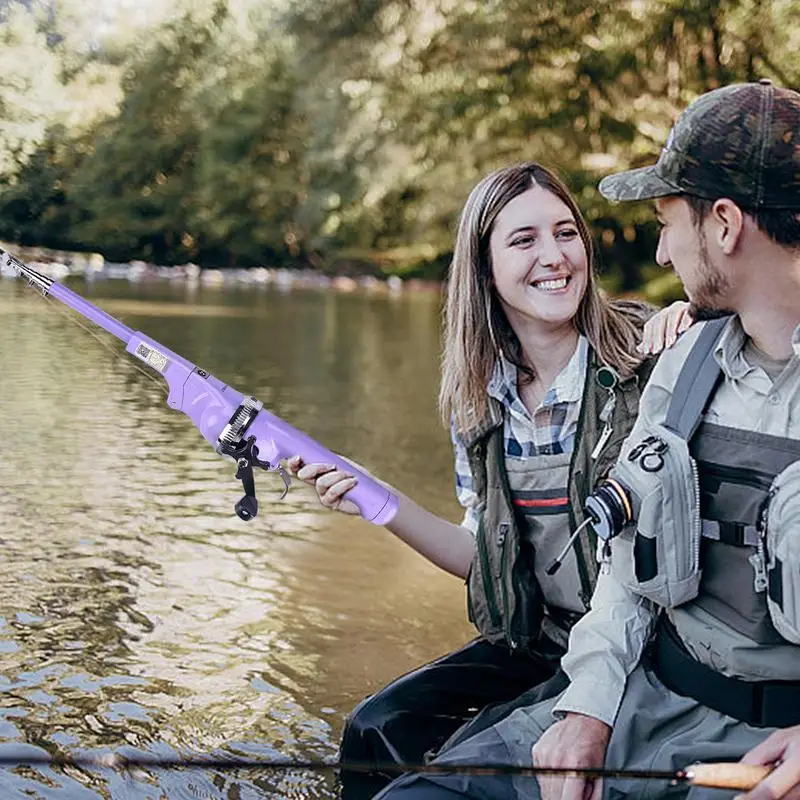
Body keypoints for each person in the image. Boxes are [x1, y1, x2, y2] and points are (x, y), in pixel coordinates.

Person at [373, 80, 800, 800]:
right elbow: (630, 573)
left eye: (667, 222)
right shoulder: (687, 368)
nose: (660, 253)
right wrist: (587, 710)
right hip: (647, 698)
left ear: (724, 225)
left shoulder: (653, 349)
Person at [287, 161, 691, 798]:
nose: (554, 256)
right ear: (484, 269)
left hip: (633, 649)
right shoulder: (477, 399)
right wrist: (373, 496)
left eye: (565, 233)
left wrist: (694, 315)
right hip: (540, 642)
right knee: (376, 730)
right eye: (524, 240)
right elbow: (481, 553)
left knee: (446, 777)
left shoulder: (655, 351)